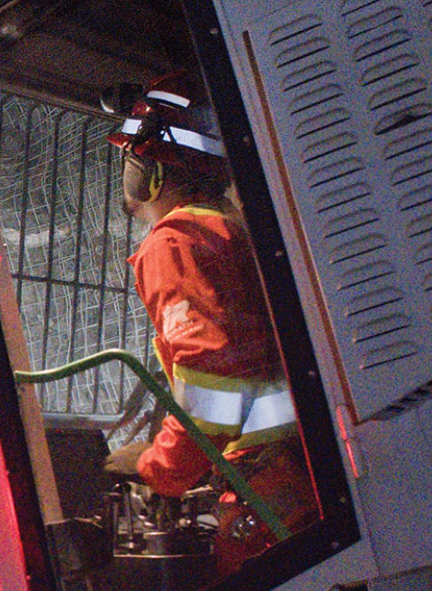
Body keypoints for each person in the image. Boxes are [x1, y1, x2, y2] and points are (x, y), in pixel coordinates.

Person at [102, 72, 318, 571]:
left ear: (149, 170)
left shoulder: (175, 243)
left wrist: (158, 466)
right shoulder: (237, 231)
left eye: (130, 157)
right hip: (294, 472)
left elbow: (218, 382)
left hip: (257, 494)